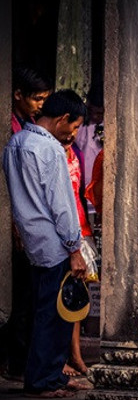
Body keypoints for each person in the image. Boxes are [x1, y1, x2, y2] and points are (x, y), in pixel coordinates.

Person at [2, 89, 91, 398]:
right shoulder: (50, 149)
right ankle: (43, 380)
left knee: (43, 310)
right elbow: (62, 205)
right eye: (74, 126)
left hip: (32, 239)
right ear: (62, 119)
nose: (73, 134)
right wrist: (75, 248)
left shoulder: (15, 144)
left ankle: (50, 375)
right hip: (54, 241)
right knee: (55, 314)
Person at [0, 68, 52, 381]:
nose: (40, 105)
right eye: (37, 98)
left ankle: (22, 360)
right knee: (19, 296)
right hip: (17, 220)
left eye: (44, 99)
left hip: (29, 222)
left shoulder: (30, 127)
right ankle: (16, 362)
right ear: (18, 94)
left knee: (28, 295)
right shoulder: (10, 129)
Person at [62, 142, 94, 377]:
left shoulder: (77, 154)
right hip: (60, 231)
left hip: (80, 228)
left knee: (76, 296)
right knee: (56, 297)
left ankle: (75, 354)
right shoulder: (50, 152)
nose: (73, 134)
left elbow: (80, 193)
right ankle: (59, 357)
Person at [73, 82, 104, 217]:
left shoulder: (109, 127)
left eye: (99, 113)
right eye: (91, 112)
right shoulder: (79, 126)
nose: (95, 116)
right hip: (81, 190)